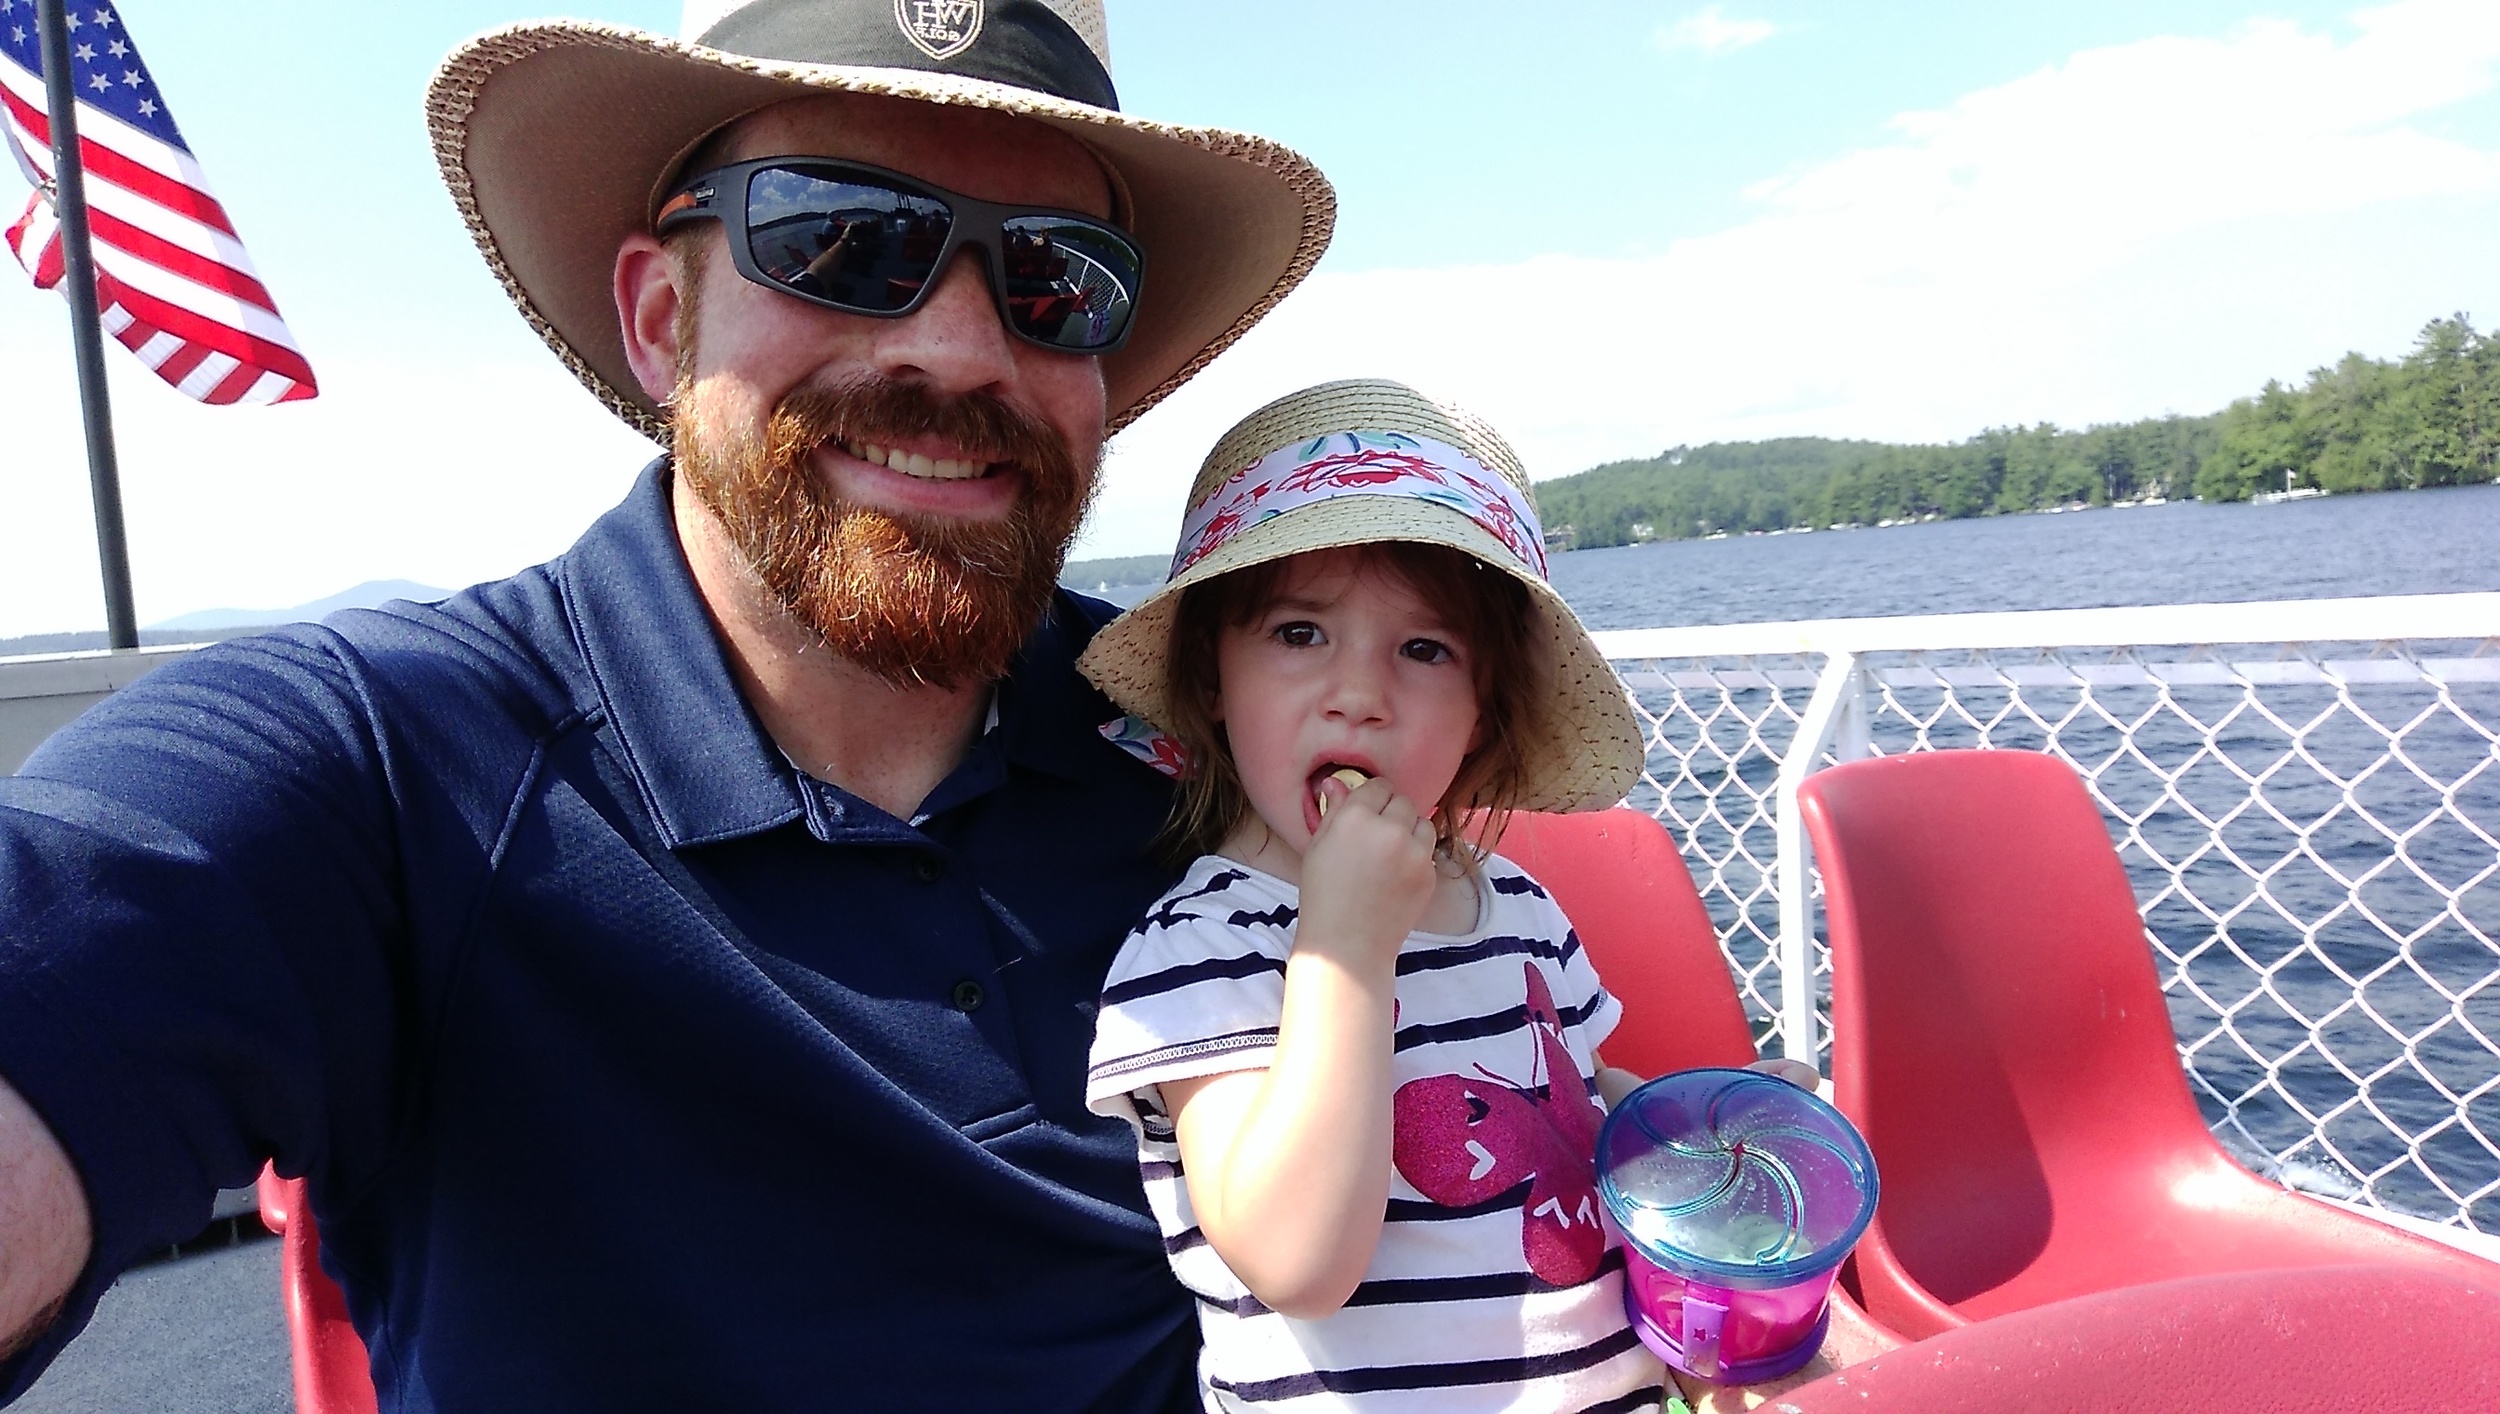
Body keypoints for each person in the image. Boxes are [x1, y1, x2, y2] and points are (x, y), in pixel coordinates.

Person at [0, 2, 1331, 1409]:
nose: (957, 349)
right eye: (838, 235)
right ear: (657, 320)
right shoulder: (391, 767)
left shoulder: (1210, 733)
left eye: (1057, 278)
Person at [1076, 380, 1672, 1409]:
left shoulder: (1519, 906)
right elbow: (1295, 1260)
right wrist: (1343, 947)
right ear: (1213, 681)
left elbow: (1577, 1096)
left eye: (1425, 649)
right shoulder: (1201, 949)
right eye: (1299, 632)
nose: (1360, 691)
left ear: (1482, 717)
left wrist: (1694, 1128)